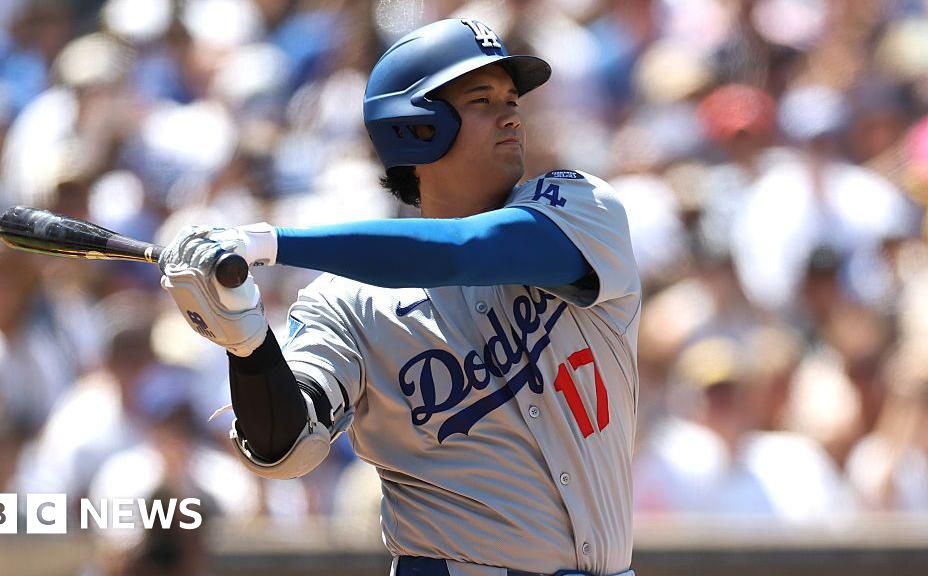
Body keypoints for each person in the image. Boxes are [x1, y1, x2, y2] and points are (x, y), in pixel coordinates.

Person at [158, 19, 640, 576]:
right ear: (416, 128)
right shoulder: (344, 303)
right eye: (482, 100)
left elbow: (463, 251)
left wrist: (268, 243)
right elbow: (284, 449)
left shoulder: (580, 209)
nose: (511, 115)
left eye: (512, 99)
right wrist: (249, 347)